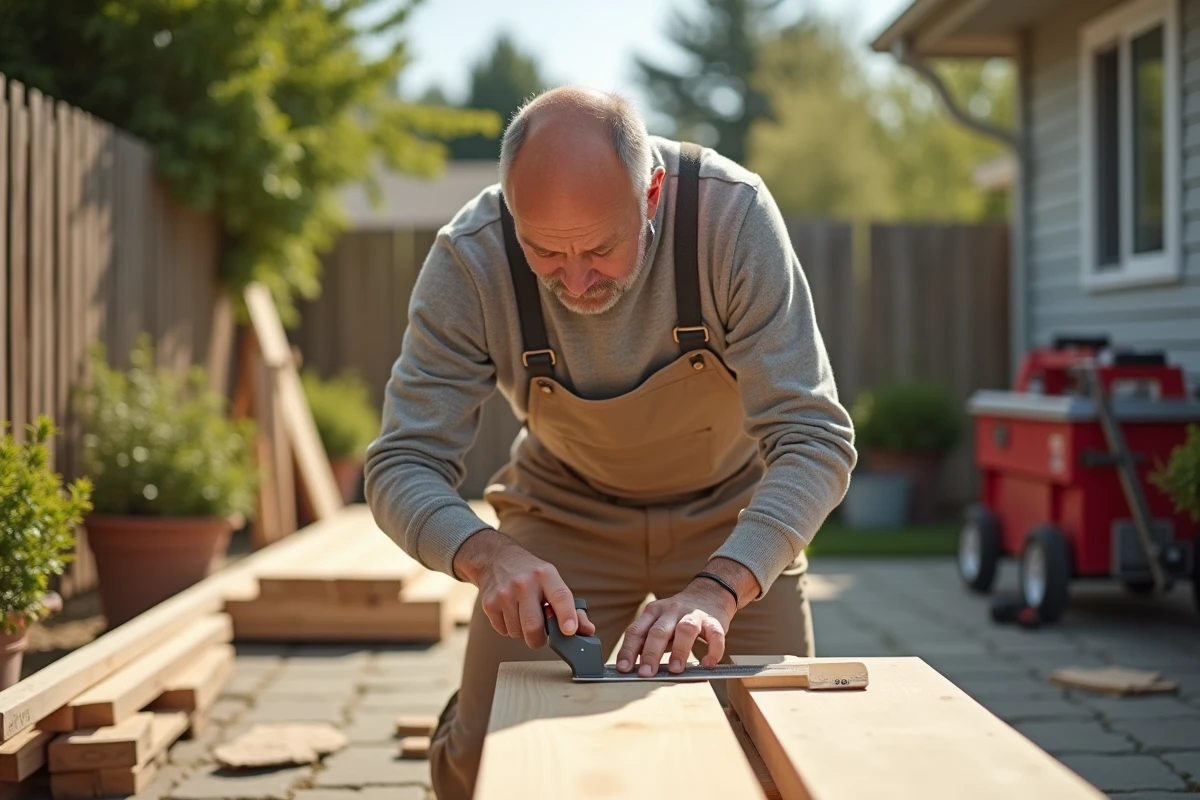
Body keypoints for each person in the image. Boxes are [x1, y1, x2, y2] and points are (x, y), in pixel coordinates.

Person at [364, 85, 856, 799]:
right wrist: (488, 555)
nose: (575, 280)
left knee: (780, 759)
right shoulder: (469, 259)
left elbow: (815, 436)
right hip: (566, 518)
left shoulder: (732, 216)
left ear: (651, 191)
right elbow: (401, 461)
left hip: (732, 516)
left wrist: (722, 587)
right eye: (544, 252)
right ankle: (465, 719)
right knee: (482, 765)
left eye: (600, 248)